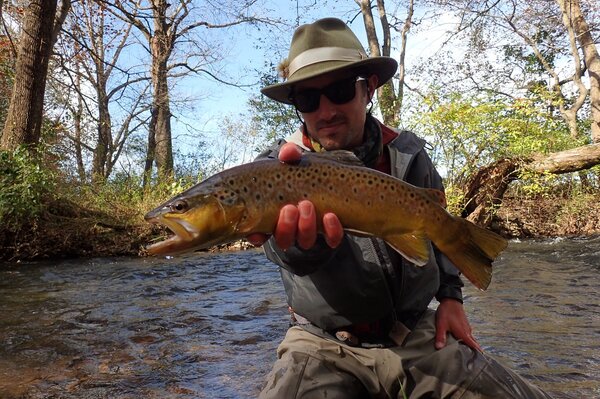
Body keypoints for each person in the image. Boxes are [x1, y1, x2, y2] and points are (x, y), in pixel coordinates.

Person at [247, 18, 552, 399]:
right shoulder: (275, 169)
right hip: (321, 343)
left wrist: (451, 298)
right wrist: (301, 246)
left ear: (368, 87)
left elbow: (439, 235)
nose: (324, 111)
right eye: (308, 99)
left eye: (340, 90)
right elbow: (282, 253)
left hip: (414, 332)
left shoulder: (410, 156)